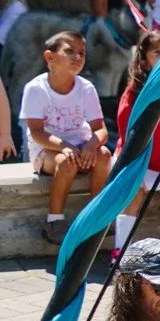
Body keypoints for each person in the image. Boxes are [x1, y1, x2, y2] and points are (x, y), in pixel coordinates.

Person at [24, 29, 109, 249]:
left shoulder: (86, 88)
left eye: (82, 53)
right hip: (48, 151)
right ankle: (54, 221)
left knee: (104, 155)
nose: (78, 57)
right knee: (66, 162)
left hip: (80, 147)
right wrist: (65, 146)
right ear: (49, 57)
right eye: (70, 51)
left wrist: (92, 144)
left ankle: (95, 216)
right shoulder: (35, 89)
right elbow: (36, 132)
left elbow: (100, 130)